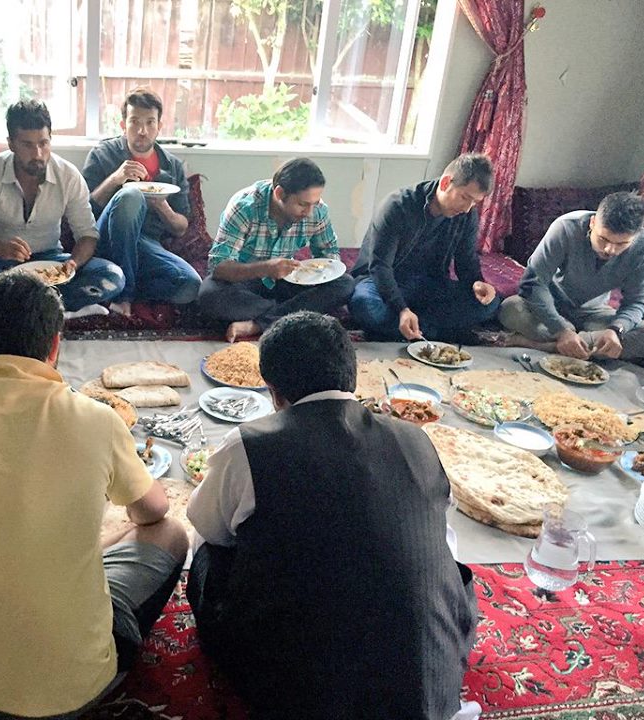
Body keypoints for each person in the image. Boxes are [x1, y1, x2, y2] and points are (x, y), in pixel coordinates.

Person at [0, 270, 188, 719]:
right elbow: (155, 512)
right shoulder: (98, 419)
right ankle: (116, 649)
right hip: (69, 688)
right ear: (55, 345)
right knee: (172, 534)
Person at [186, 311, 478, 720]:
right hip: (428, 687)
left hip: (298, 695)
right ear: (352, 377)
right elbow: (440, 544)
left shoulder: (250, 444)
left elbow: (206, 526)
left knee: (206, 554)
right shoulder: (417, 440)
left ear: (273, 391)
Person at [0, 100, 125, 324]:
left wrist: (73, 264)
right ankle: (54, 311)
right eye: (27, 145)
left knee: (113, 276)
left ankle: (19, 315)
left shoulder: (68, 175)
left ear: (51, 139)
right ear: (11, 144)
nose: (37, 153)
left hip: (51, 263)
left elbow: (87, 234)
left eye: (43, 143)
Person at [197, 158, 355, 342]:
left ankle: (258, 324)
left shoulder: (317, 210)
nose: (310, 212)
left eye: (315, 202)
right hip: (247, 283)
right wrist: (265, 269)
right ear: (280, 193)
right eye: (303, 204)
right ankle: (291, 314)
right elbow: (218, 267)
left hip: (288, 280)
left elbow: (329, 256)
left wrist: (317, 272)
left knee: (344, 284)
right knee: (209, 294)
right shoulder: (244, 207)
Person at [348, 152, 500, 343]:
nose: (468, 208)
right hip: (382, 282)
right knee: (365, 306)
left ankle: (409, 327)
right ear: (445, 183)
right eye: (464, 197)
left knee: (490, 303)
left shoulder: (467, 215)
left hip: (429, 285)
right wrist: (401, 308)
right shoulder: (398, 206)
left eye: (474, 202)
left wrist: (478, 283)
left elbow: (466, 261)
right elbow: (379, 267)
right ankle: (433, 330)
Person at [82, 87, 201, 315]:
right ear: (123, 125)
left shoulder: (172, 166)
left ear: (159, 127)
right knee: (131, 195)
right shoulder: (103, 154)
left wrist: (161, 205)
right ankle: (123, 294)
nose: (142, 131)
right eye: (135, 122)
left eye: (150, 123)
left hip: (146, 245)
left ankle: (121, 280)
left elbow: (180, 228)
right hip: (106, 237)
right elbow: (85, 208)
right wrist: (116, 179)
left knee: (190, 285)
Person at [499, 191, 644, 359]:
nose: (610, 250)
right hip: (549, 306)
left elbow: (637, 302)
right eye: (603, 239)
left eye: (621, 244)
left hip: (593, 313)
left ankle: (545, 346)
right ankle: (580, 344)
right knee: (510, 309)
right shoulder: (566, 227)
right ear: (593, 223)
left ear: (636, 236)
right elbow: (532, 284)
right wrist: (561, 329)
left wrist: (616, 329)